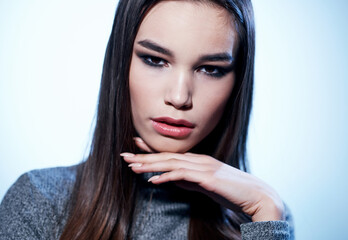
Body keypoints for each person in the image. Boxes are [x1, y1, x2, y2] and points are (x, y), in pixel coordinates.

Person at [0, 0, 294, 239]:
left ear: (237, 82)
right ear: (121, 62)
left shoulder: (261, 216)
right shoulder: (40, 200)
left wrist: (266, 211)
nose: (179, 97)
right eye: (155, 60)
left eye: (210, 69)